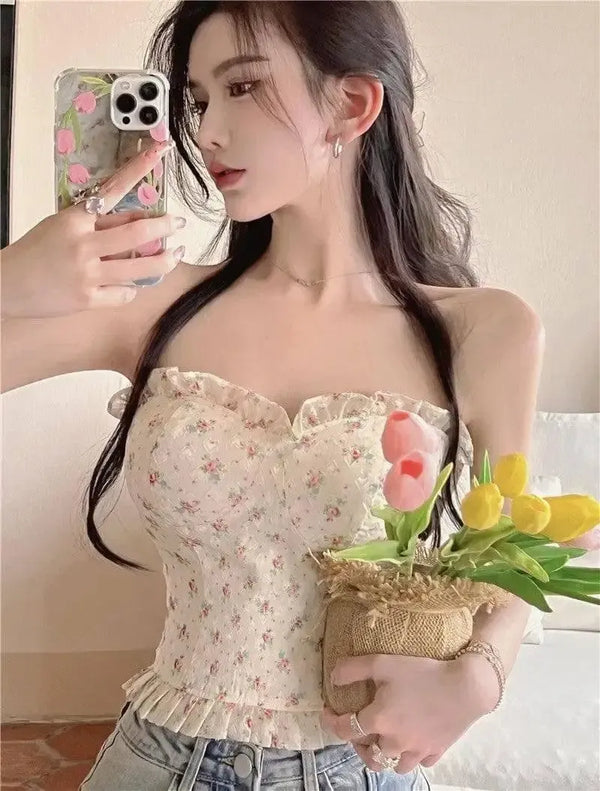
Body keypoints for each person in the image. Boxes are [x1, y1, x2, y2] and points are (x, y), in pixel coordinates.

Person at [1, 2, 545, 789]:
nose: (206, 132)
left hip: (361, 765)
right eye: (197, 100)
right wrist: (12, 280)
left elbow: (517, 553)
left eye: (243, 87)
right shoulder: (150, 304)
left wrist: (479, 679)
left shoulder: (484, 331)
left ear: (351, 105)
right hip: (156, 760)